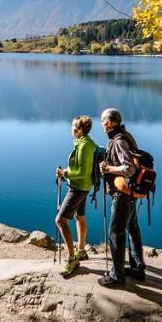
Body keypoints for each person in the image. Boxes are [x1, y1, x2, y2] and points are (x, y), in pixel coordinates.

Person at [98, 107, 146, 287]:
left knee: (115, 232)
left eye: (103, 121)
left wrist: (108, 169)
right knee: (132, 228)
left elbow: (129, 168)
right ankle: (137, 268)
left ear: (109, 122)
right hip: (132, 192)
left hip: (123, 193)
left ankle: (118, 276)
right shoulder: (126, 135)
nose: (102, 125)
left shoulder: (118, 141)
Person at [55, 115, 97, 277]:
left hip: (78, 188)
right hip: (84, 186)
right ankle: (81, 250)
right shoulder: (84, 143)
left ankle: (72, 259)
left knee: (60, 220)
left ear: (80, 130)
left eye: (73, 127)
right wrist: (66, 172)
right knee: (80, 216)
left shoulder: (84, 146)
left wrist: (64, 173)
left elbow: (81, 172)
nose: (71, 129)